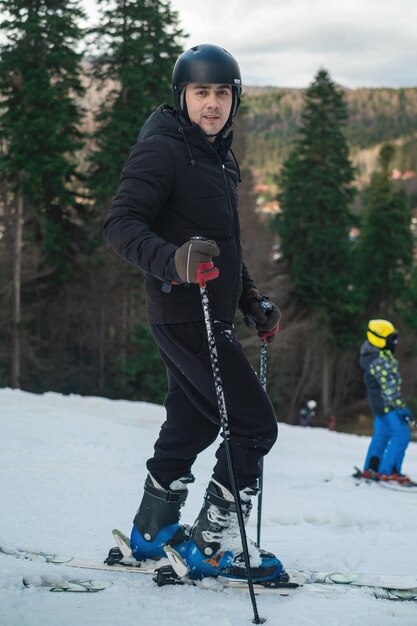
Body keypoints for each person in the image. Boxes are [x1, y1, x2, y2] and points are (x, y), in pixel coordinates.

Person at [103, 44, 283, 583]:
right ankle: (213, 544)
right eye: (201, 92)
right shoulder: (162, 150)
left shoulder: (217, 157)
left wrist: (252, 300)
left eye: (222, 93)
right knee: (253, 425)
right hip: (185, 312)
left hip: (210, 312)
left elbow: (224, 246)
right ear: (181, 96)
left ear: (234, 100)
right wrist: (174, 261)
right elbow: (121, 224)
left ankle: (153, 531)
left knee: (194, 418)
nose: (212, 104)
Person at [360, 319, 415, 482]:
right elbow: (389, 389)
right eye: (392, 339)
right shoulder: (378, 361)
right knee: (402, 433)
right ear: (380, 339)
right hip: (387, 405)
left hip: (381, 406)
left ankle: (371, 468)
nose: (395, 342)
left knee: (382, 434)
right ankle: (388, 470)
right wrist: (403, 410)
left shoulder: (376, 356)